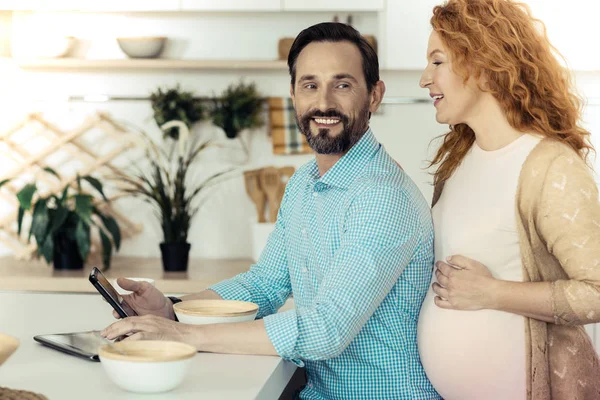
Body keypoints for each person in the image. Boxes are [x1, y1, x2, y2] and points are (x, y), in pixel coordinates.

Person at [101, 22, 441, 399]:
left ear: (374, 95)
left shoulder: (382, 197)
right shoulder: (303, 184)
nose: (324, 102)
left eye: (342, 85)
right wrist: (171, 310)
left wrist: (184, 334)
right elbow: (264, 284)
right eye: (310, 85)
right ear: (293, 95)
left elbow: (325, 330)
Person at [416, 0, 600, 399]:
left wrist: (493, 293)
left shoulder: (549, 165)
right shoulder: (459, 161)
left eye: (437, 62)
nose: (424, 79)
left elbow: (598, 291)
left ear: (481, 63)